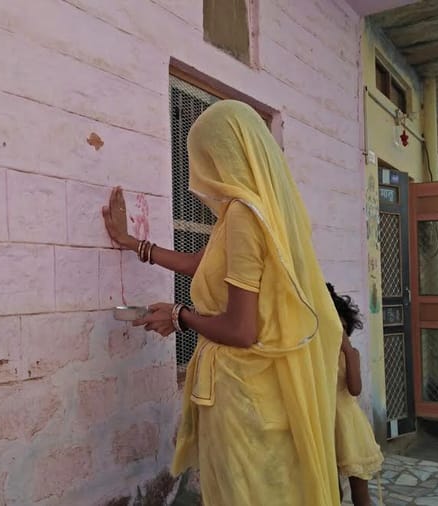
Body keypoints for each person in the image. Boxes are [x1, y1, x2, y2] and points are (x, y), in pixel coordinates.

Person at [102, 100, 343, 505]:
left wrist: (179, 317)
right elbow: (201, 263)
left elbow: (241, 329)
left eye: (205, 157)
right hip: (260, 393)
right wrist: (134, 244)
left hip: (242, 398)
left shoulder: (245, 216)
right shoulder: (253, 212)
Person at [326, 283, 383, 506]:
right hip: (326, 424)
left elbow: (355, 389)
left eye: (342, 328)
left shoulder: (352, 355)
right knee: (333, 492)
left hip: (349, 426)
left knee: (360, 493)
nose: (338, 333)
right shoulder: (319, 358)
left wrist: (348, 351)